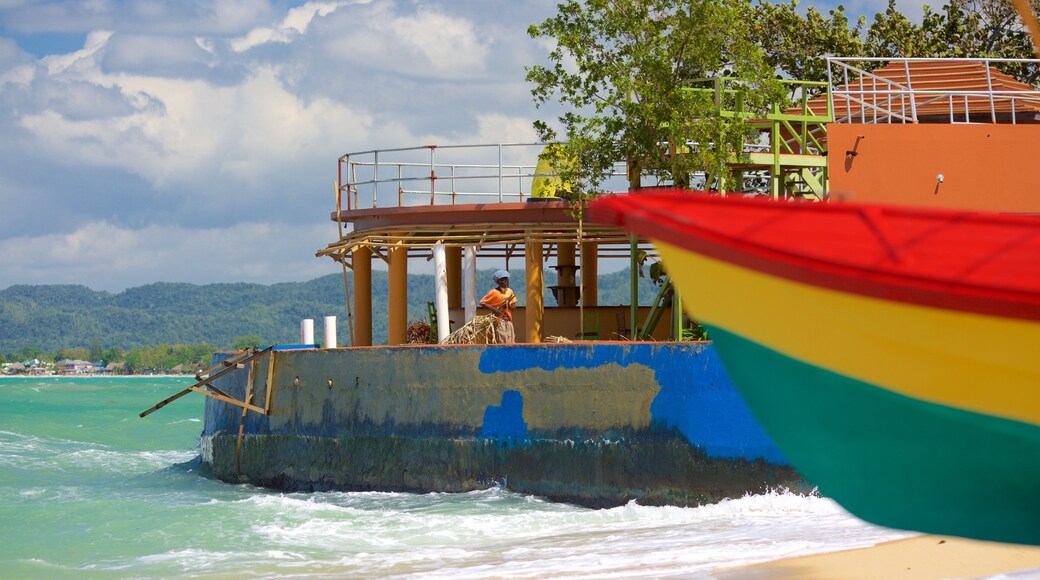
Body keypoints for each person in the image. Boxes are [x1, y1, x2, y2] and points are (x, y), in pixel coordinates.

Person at [480, 270, 517, 343]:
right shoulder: (494, 292)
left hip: (509, 320)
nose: (505, 282)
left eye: (506, 280)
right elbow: (482, 302)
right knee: (502, 339)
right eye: (503, 281)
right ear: (498, 282)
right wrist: (493, 309)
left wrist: (508, 306)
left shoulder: (510, 291)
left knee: (511, 340)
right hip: (499, 320)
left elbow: (514, 307)